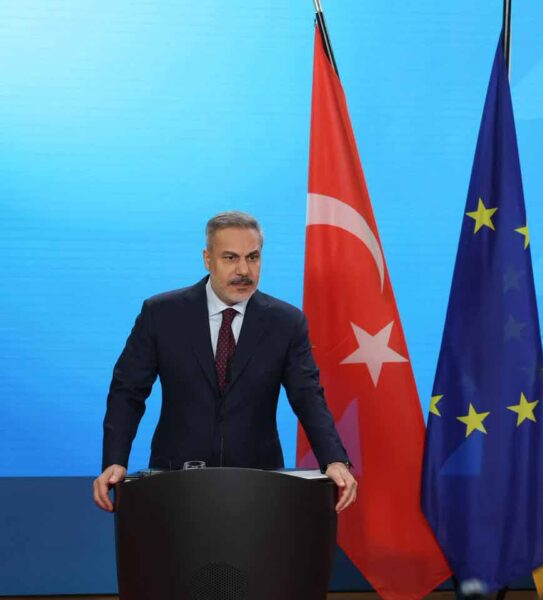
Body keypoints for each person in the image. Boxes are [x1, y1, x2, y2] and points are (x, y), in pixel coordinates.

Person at [93, 211, 357, 512]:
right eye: (230, 258)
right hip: (175, 481)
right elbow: (128, 391)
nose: (244, 270)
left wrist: (333, 458)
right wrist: (115, 460)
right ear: (207, 259)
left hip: (259, 484)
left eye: (253, 257)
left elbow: (307, 396)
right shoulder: (162, 314)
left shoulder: (286, 322)